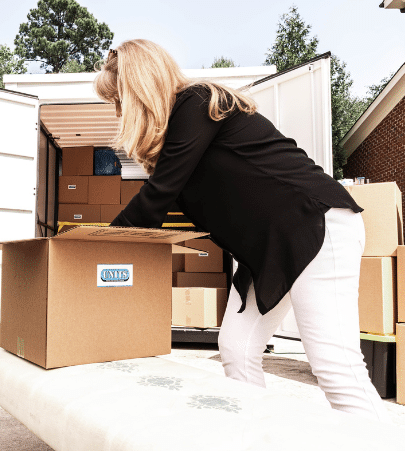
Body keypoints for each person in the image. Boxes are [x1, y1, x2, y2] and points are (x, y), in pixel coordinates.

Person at [94, 39, 391, 422]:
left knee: (336, 368)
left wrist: (93, 248)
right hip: (268, 248)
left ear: (140, 87)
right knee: (237, 348)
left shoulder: (197, 103)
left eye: (118, 97)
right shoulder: (180, 139)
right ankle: (258, 437)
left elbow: (158, 197)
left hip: (314, 223)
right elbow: (175, 206)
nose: (118, 110)